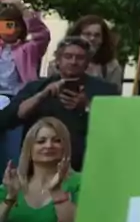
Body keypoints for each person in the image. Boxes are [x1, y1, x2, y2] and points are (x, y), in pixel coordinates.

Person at [9, 38, 118, 171]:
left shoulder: (105, 90)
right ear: (58, 60)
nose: (73, 62)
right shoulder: (36, 87)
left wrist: (88, 106)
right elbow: (8, 118)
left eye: (80, 58)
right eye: (68, 56)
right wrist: (42, 95)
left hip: (85, 166)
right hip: (40, 167)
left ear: (87, 63)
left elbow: (115, 126)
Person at [0, 0, 50, 171]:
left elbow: (42, 34)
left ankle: (11, 187)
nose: (8, 29)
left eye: (13, 25)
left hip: (17, 102)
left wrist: (21, 8)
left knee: (13, 150)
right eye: (4, 25)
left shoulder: (29, 49)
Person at [66, 16, 123, 88]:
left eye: (97, 35)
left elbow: (114, 95)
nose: (92, 38)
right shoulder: (59, 63)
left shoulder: (111, 66)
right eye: (87, 34)